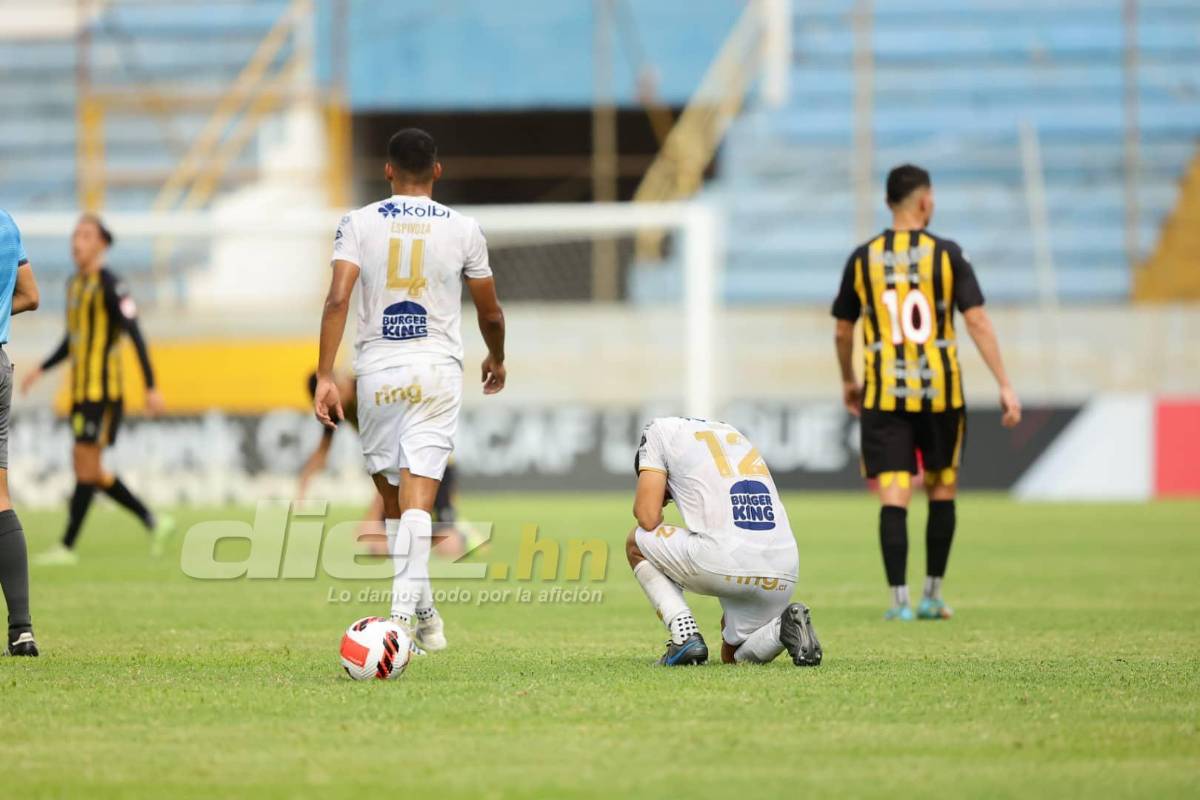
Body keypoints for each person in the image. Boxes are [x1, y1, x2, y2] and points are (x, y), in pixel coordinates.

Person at [314, 128, 506, 653]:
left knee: (397, 502)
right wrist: (497, 355)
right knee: (412, 505)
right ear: (437, 171)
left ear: (388, 171)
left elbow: (337, 300)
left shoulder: (357, 223)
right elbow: (489, 310)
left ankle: (400, 624)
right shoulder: (465, 228)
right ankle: (426, 620)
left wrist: (327, 374)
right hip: (436, 369)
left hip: (377, 368)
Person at [831, 164, 1022, 621]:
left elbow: (842, 330)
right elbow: (976, 320)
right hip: (940, 394)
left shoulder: (863, 258)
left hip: (883, 395)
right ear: (924, 202)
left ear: (888, 204)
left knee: (894, 493)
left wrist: (848, 378)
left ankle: (899, 602)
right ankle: (932, 595)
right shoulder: (950, 254)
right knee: (941, 488)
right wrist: (1004, 383)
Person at [23, 214, 173, 566]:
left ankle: (67, 546)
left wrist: (151, 386)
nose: (77, 242)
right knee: (87, 469)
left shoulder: (112, 286)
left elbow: (135, 333)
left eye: (86, 236)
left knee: (85, 466)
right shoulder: (74, 285)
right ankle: (154, 520)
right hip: (80, 391)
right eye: (75, 235)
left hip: (104, 393)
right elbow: (72, 339)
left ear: (101, 244)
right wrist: (42, 368)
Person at [625, 416, 822, 667]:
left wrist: (656, 496)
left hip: (725, 557)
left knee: (636, 542)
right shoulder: (731, 432)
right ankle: (781, 629)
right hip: (783, 569)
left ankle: (683, 634)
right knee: (734, 655)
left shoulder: (658, 430)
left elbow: (647, 516)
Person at [298, 369, 470, 558]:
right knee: (377, 548)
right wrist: (302, 489)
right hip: (400, 469)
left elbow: (392, 465)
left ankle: (461, 534)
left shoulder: (373, 398)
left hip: (432, 463)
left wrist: (372, 516)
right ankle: (420, 534)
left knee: (449, 548)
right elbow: (322, 451)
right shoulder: (338, 407)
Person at [0, 209, 40, 656]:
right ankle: (21, 629)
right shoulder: (6, 225)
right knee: (0, 497)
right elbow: (30, 295)